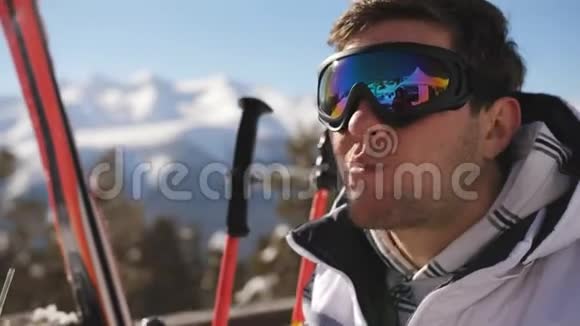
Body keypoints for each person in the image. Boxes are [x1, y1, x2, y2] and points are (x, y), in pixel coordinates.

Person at [286, 0, 580, 325]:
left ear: (495, 127)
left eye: (406, 91)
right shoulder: (331, 284)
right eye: (338, 93)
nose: (356, 124)